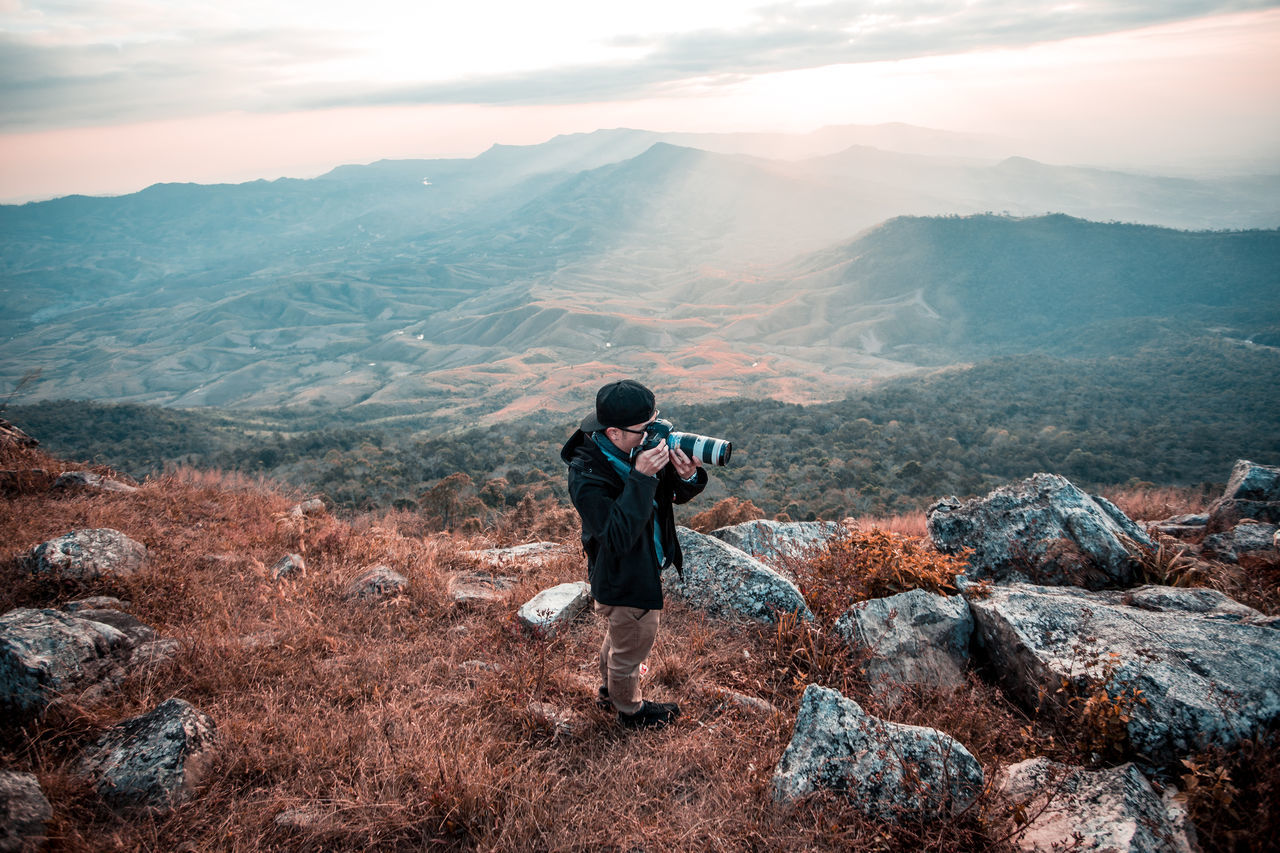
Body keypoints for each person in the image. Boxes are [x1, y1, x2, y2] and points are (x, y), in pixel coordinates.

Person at [560, 379, 708, 729]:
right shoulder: (588, 474)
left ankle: (608, 691)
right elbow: (617, 538)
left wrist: (688, 477)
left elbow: (672, 494)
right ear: (613, 432)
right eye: (645, 429)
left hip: (642, 564)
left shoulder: (635, 450)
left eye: (655, 422)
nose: (653, 434)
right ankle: (630, 711)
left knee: (619, 637)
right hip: (624, 574)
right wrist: (642, 476)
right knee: (632, 645)